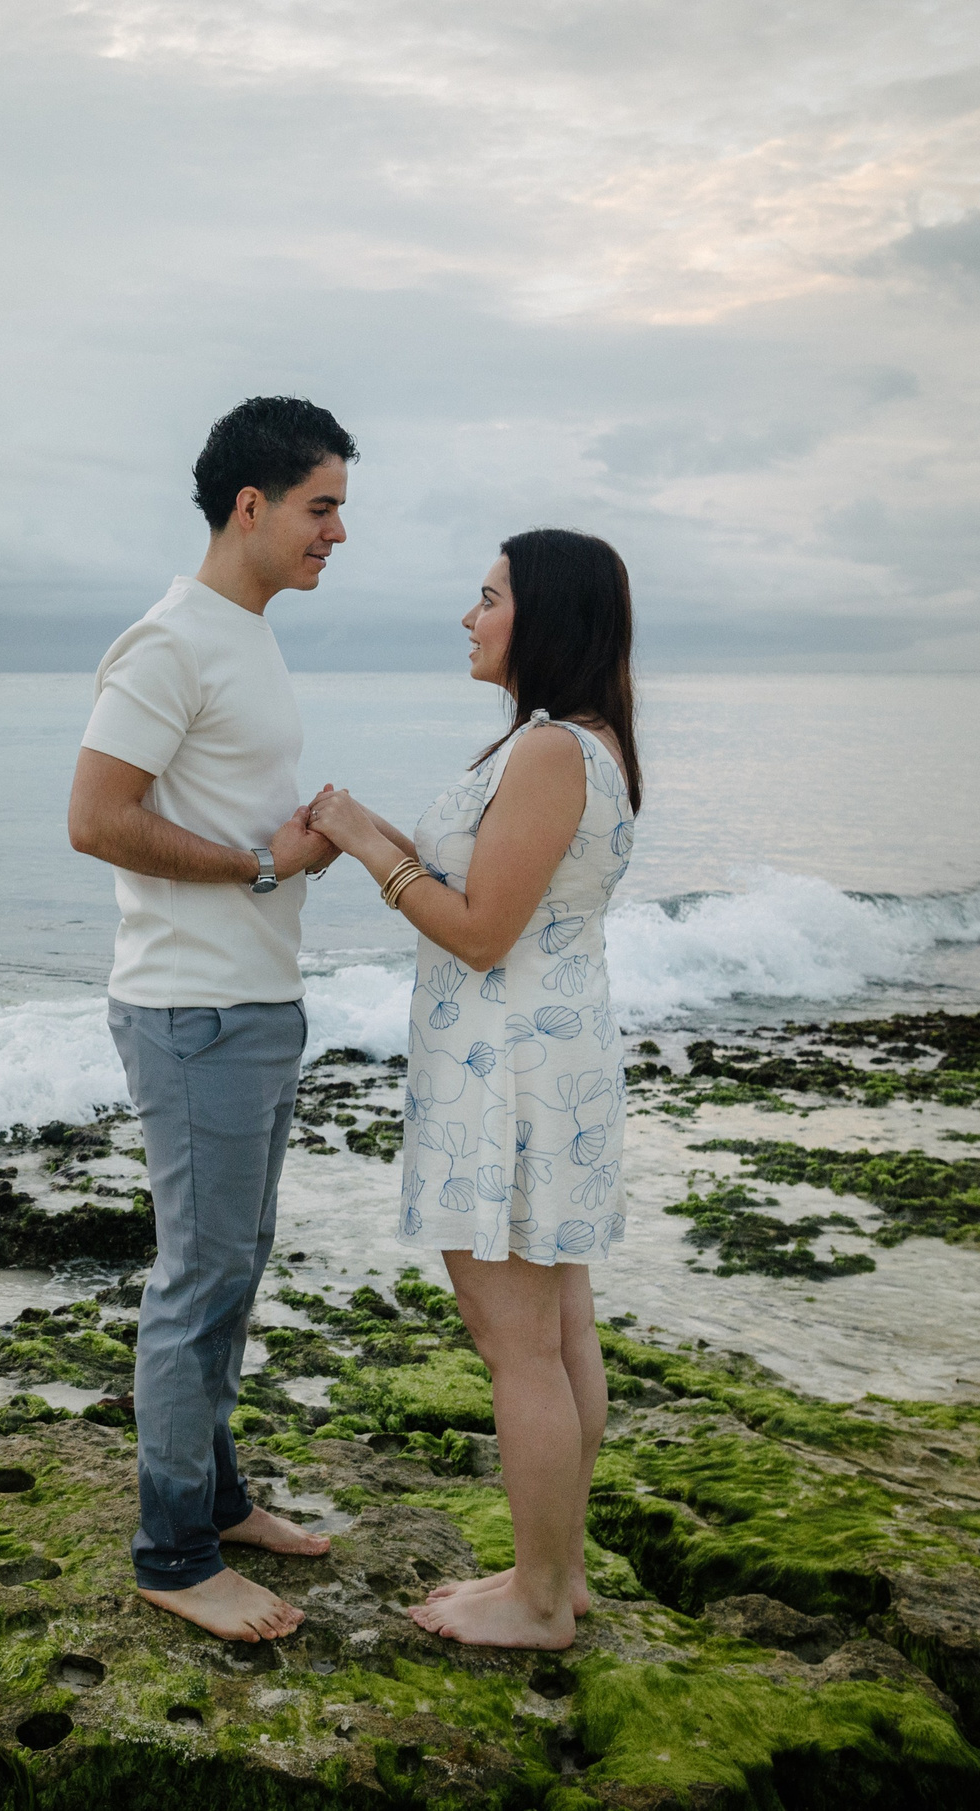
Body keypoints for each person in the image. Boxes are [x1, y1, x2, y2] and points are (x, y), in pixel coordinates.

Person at [305, 527, 641, 1650]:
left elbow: (481, 929)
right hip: (543, 1060)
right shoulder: (568, 744)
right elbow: (489, 887)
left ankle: (540, 1600)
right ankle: (557, 1571)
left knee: (519, 1347)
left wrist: (362, 844)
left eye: (488, 596)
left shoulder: (550, 750)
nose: (469, 614)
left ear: (543, 617)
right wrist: (377, 831)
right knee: (557, 1332)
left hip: (509, 1079)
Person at [66, 396, 355, 1643]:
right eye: (320, 506)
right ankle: (173, 1550)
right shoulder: (168, 641)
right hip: (193, 1008)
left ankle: (218, 1497)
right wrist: (256, 866)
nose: (337, 532)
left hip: (255, 998)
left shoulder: (247, 633)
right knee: (198, 1280)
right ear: (252, 506)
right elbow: (95, 816)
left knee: (234, 1268)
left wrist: (290, 853)